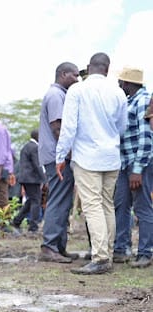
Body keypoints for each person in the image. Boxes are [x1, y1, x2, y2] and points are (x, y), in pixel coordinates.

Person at [55, 52, 127, 275]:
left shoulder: (77, 90)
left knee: (92, 205)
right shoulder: (118, 92)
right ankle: (107, 252)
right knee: (106, 204)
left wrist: (60, 156)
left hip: (87, 157)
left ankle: (100, 257)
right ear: (107, 69)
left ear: (89, 67)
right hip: (111, 157)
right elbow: (122, 127)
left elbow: (68, 127)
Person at [38, 62, 81, 263]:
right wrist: (69, 154)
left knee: (64, 202)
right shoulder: (56, 95)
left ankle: (59, 246)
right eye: (74, 75)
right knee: (58, 200)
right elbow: (58, 128)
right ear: (63, 74)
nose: (78, 79)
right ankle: (49, 246)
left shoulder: (62, 94)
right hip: (58, 157)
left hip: (58, 156)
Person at [113, 67, 152, 268]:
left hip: (139, 164)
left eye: (121, 82)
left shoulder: (144, 100)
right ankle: (121, 248)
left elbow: (147, 138)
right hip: (125, 162)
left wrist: (138, 169)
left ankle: (146, 253)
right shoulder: (129, 101)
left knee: (142, 207)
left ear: (127, 83)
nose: (119, 85)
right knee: (121, 204)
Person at [12, 129, 44, 234]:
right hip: (32, 179)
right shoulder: (34, 147)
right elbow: (37, 164)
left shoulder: (26, 146)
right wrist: (44, 178)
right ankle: (33, 226)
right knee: (36, 201)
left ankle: (17, 221)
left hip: (25, 178)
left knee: (31, 200)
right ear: (37, 136)